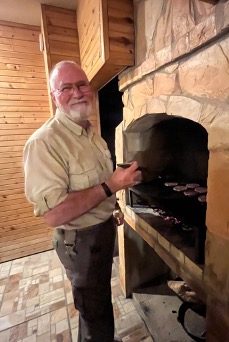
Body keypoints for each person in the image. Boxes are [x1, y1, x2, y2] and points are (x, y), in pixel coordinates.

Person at [23, 60, 141, 342]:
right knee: (93, 312)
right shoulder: (44, 143)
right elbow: (53, 215)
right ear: (54, 96)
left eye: (82, 84)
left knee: (97, 303)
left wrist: (113, 207)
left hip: (101, 232)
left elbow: (94, 182)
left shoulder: (90, 132)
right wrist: (113, 185)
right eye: (66, 88)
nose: (77, 93)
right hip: (80, 243)